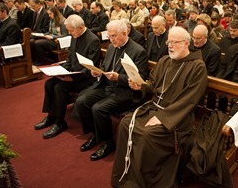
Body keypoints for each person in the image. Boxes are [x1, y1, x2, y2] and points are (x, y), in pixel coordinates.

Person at [111, 27, 208, 187]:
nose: (170, 45)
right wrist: (140, 87)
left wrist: (163, 119)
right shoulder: (165, 61)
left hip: (177, 117)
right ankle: (123, 177)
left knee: (148, 135)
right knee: (125, 124)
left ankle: (144, 181)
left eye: (174, 42)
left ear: (186, 44)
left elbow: (189, 100)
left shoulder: (197, 67)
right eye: (168, 41)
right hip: (154, 107)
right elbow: (153, 85)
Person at [74, 20, 148, 161]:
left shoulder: (138, 51)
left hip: (126, 92)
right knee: (82, 101)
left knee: (98, 108)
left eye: (114, 36)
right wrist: (97, 72)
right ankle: (95, 135)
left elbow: (140, 80)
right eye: (109, 36)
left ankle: (108, 143)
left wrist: (118, 77)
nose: (111, 39)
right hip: (107, 86)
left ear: (125, 33)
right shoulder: (112, 47)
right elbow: (107, 67)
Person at [34, 15, 101, 139]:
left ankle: (60, 122)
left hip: (86, 78)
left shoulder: (93, 40)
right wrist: (61, 69)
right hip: (73, 73)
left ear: (80, 28)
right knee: (49, 83)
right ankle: (51, 116)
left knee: (60, 87)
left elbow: (91, 67)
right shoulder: (75, 36)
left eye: (71, 30)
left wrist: (73, 78)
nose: (69, 33)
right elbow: (71, 58)